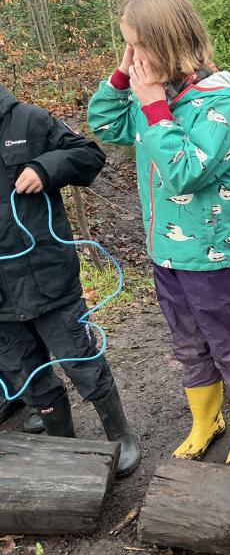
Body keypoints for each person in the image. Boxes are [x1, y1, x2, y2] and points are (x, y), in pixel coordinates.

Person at [87, 0, 230, 468]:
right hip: (164, 251)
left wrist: (152, 107)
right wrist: (122, 76)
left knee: (228, 343)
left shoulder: (219, 104)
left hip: (210, 254)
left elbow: (186, 171)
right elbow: (103, 124)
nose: (134, 59)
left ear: (166, 45)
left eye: (138, 47)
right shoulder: (157, 97)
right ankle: (207, 421)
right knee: (187, 343)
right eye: (128, 47)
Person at [0, 83, 139, 476]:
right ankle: (64, 448)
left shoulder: (28, 120)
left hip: (49, 281)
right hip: (2, 303)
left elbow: (88, 155)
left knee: (82, 361)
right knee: (29, 377)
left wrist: (45, 169)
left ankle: (119, 434)